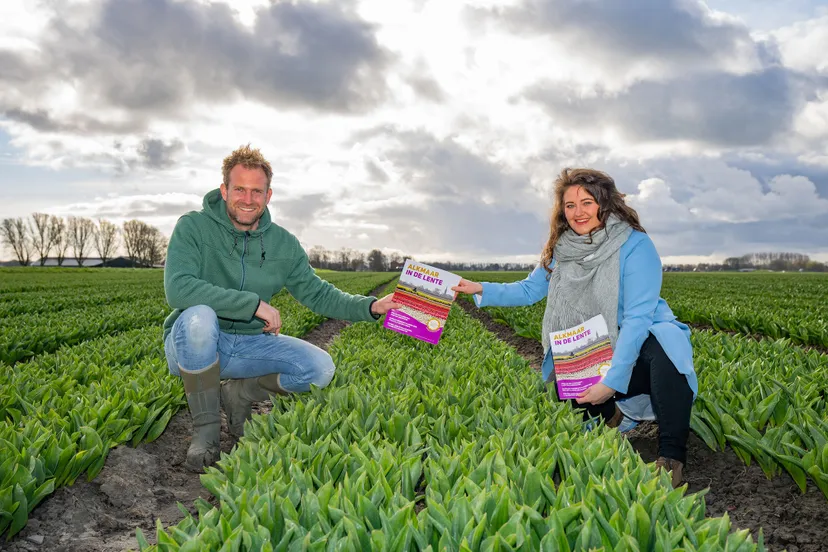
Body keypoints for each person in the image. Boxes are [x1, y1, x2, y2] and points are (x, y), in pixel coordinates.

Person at [452, 168, 697, 488]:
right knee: (566, 388)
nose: (578, 212)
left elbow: (637, 319)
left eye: (586, 202)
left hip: (639, 343)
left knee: (666, 349)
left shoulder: (635, 245)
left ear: (604, 204)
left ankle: (670, 459)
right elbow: (528, 291)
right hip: (593, 343)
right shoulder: (561, 249)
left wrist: (612, 381)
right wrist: (478, 288)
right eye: (570, 205)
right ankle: (612, 415)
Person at [162, 144, 400, 472]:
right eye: (239, 189)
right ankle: (206, 434)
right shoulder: (193, 227)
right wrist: (252, 304)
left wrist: (372, 306)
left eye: (256, 191)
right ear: (224, 190)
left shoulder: (283, 244)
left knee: (320, 369)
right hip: (195, 346)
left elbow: (318, 293)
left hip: (247, 345)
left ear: (268, 195)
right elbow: (179, 288)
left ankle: (240, 395)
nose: (248, 199)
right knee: (199, 318)